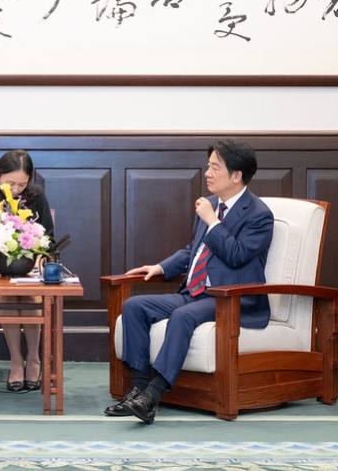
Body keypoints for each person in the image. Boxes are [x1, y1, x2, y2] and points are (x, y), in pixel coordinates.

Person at [105, 139, 274, 424]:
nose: (207, 173)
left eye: (215, 168)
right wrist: (160, 267)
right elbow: (193, 250)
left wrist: (213, 222)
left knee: (183, 316)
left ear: (236, 175)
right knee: (134, 307)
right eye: (208, 166)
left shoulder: (259, 215)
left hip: (231, 299)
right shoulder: (211, 204)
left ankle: (153, 396)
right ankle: (137, 389)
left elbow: (237, 255)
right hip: (195, 293)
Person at [0, 149, 54, 392]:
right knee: (7, 294)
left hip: (30, 272)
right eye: (10, 183)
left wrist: (39, 258)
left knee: (30, 295)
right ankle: (16, 362)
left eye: (22, 184)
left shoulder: (37, 197)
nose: (16, 189)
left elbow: (49, 238)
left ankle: (34, 359)